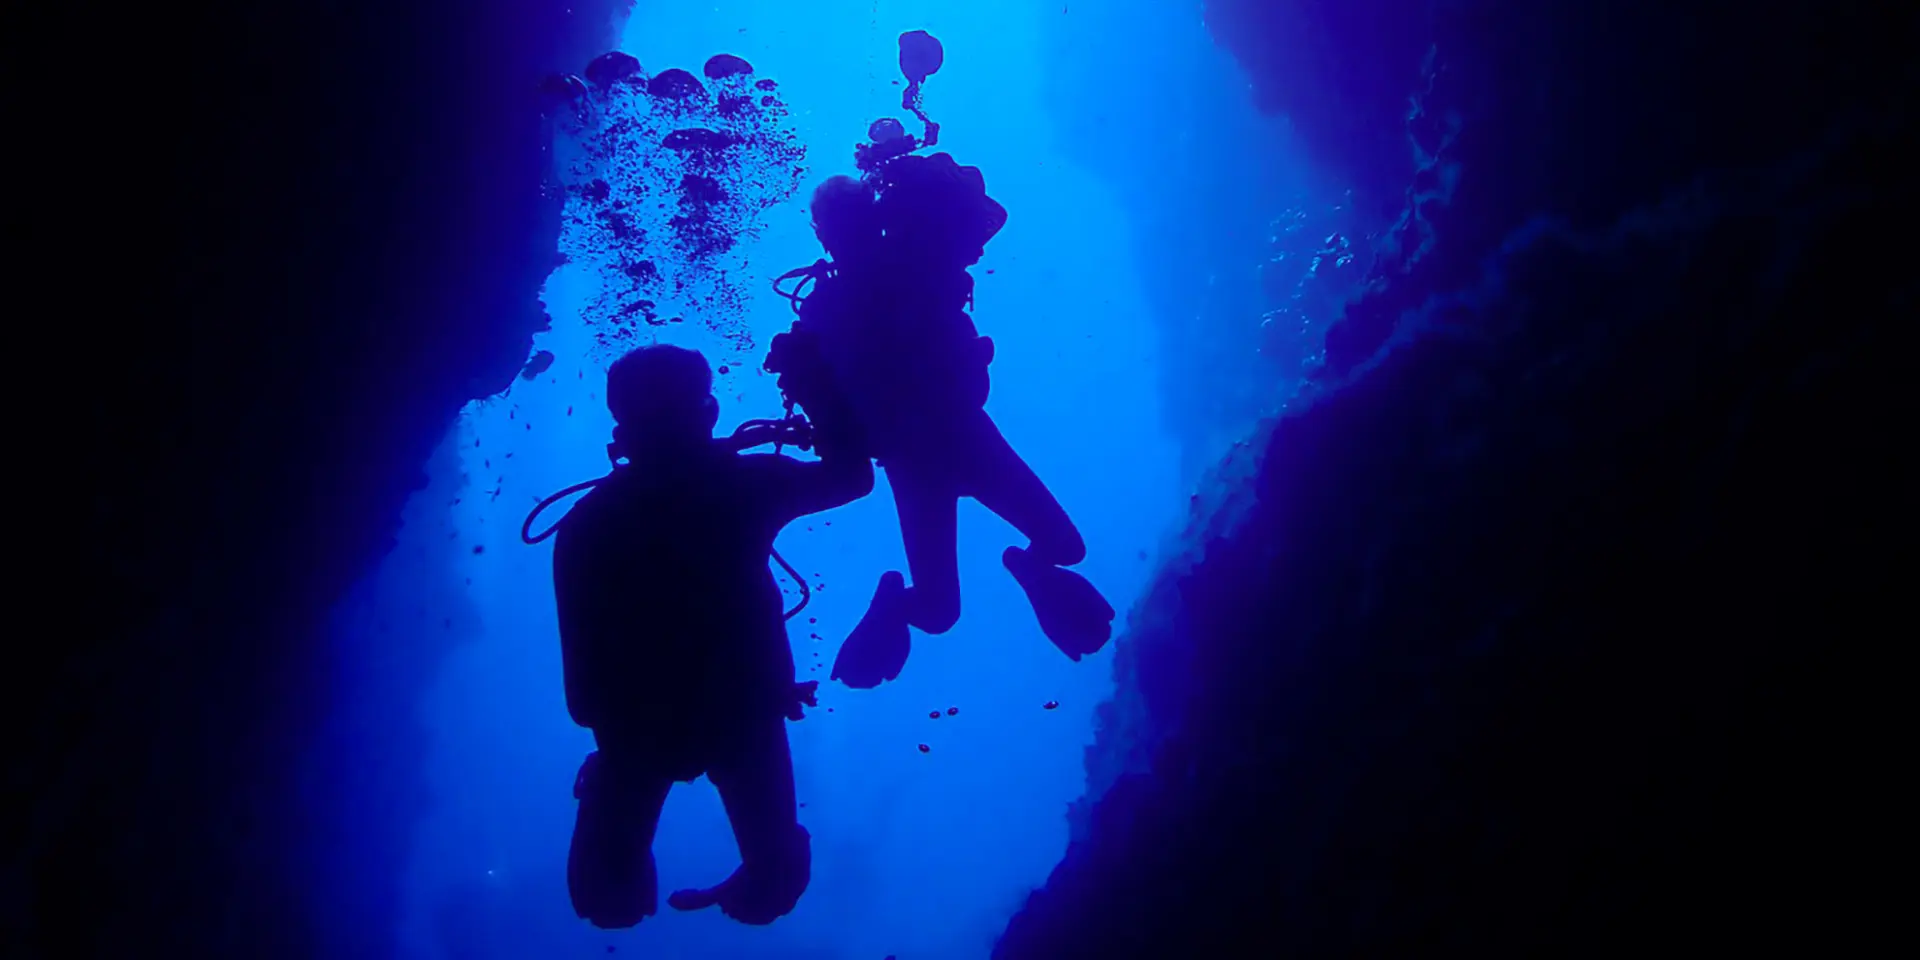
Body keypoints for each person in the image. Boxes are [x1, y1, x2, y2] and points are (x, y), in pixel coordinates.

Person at [767, 139, 1115, 691]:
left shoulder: (893, 274)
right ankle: (923, 593)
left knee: (974, 592)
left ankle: (1024, 572)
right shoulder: (884, 280)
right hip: (935, 452)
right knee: (943, 609)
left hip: (949, 444)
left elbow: (825, 406)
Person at [550, 343, 871, 928]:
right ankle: (614, 799)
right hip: (727, 718)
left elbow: (581, 685)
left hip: (659, 727)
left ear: (622, 428)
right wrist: (815, 384)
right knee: (767, 889)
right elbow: (852, 476)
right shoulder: (743, 485)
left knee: (609, 904)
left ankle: (610, 799)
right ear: (709, 413)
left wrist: (617, 750)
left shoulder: (587, 524)